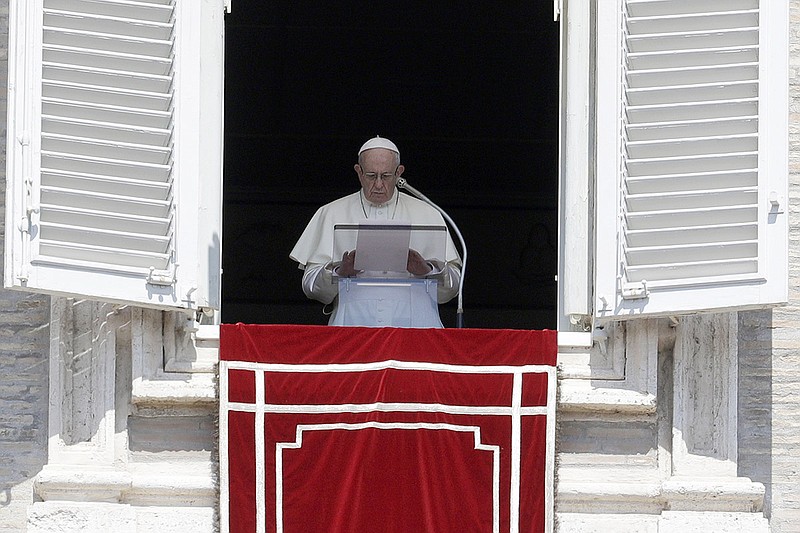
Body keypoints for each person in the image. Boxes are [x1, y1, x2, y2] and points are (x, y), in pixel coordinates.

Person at [289, 136, 462, 326]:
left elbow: (452, 288)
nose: (378, 185)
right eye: (371, 176)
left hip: (417, 325)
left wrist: (427, 271)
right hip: (352, 323)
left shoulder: (428, 212)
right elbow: (310, 287)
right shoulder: (330, 213)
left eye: (386, 176)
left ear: (399, 172)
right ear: (359, 172)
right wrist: (339, 272)